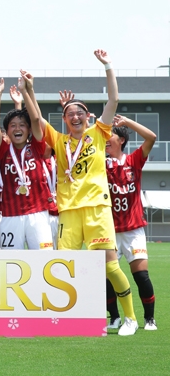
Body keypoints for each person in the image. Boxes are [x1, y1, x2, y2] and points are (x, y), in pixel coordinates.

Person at [29, 49, 138, 336]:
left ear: (87, 117)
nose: (74, 116)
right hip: (68, 212)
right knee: (65, 266)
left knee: (110, 267)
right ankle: (79, 319)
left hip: (97, 209)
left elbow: (113, 100)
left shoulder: (99, 133)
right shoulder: (59, 139)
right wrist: (29, 90)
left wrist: (108, 66)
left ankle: (130, 319)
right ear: (64, 119)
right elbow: (37, 117)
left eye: (79, 113)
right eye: (69, 113)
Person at [0, 70, 53, 250]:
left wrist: (25, 91)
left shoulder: (37, 147)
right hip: (10, 215)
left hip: (38, 213)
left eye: (22, 125)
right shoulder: (2, 151)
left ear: (29, 131)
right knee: (10, 262)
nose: (17, 128)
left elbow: (36, 118)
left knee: (44, 259)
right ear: (7, 132)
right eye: (13, 126)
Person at [103, 115, 157, 330]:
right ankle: (114, 317)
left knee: (141, 275)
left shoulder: (134, 160)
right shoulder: (100, 163)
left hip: (134, 229)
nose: (106, 139)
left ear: (121, 140)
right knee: (107, 276)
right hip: (108, 229)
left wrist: (126, 122)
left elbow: (151, 137)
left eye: (110, 135)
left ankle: (149, 319)